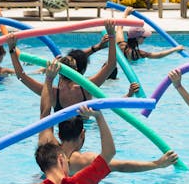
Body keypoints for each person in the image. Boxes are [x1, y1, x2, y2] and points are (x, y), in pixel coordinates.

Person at [36, 62, 180, 174]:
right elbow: (121, 166)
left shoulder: (47, 150)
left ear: (59, 134)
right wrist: (157, 164)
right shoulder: (84, 161)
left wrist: (49, 79)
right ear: (82, 134)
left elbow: (45, 113)